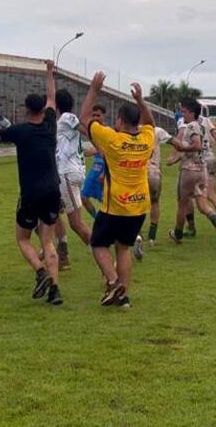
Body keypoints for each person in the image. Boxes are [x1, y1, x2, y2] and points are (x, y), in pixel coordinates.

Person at [0, 61, 64, 305]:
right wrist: (49, 72)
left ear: (26, 109)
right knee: (47, 240)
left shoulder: (19, 131)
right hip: (52, 190)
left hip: (31, 193)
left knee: (23, 238)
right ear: (43, 110)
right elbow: (52, 97)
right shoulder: (50, 125)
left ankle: (40, 271)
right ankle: (55, 289)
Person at [79, 73, 155, 308]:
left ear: (120, 120)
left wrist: (93, 89)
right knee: (124, 248)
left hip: (116, 205)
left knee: (98, 244)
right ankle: (123, 298)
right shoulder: (146, 138)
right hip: (140, 204)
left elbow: (83, 118)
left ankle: (114, 283)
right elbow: (151, 123)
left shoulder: (112, 139)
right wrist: (141, 100)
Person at [168, 97, 216, 244]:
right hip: (203, 170)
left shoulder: (191, 126)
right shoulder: (203, 125)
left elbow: (196, 145)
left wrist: (180, 149)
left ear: (191, 112)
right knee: (203, 204)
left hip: (190, 170)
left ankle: (178, 234)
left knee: (182, 203)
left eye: (184, 112)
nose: (183, 116)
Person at [52, 88, 92, 270]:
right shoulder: (60, 124)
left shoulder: (67, 117)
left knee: (76, 223)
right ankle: (63, 256)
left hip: (67, 175)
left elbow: (84, 128)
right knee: (53, 214)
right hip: (63, 175)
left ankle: (102, 253)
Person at [137, 124, 172, 256]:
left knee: (138, 203)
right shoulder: (157, 130)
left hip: (140, 171)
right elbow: (173, 141)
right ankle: (152, 237)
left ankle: (138, 234)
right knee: (155, 202)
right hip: (154, 172)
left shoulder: (135, 129)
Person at [80, 104, 107, 219]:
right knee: (83, 197)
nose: (95, 118)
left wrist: (105, 172)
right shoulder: (93, 131)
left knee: (110, 203)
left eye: (98, 115)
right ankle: (98, 219)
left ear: (103, 116)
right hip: (95, 169)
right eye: (93, 115)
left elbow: (109, 151)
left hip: (104, 169)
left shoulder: (108, 131)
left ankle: (133, 229)